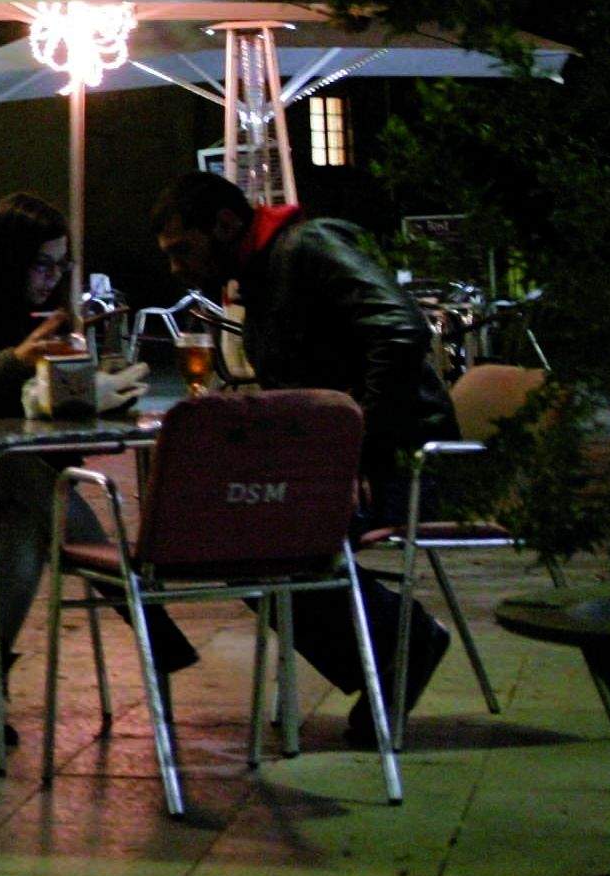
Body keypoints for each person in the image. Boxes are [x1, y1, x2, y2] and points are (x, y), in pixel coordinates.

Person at [151, 170, 454, 740]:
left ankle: (401, 644)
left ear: (225, 224)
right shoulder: (264, 275)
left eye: (183, 250)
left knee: (252, 536)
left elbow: (400, 330)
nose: (176, 268)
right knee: (223, 534)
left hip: (404, 464)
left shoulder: (310, 246)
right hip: (346, 465)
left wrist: (354, 449)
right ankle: (390, 651)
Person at [0, 193, 198, 745]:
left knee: (29, 503)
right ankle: (143, 614)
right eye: (41, 265)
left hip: (9, 464)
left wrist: (93, 387)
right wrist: (18, 359)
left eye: (60, 265)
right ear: (5, 259)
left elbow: (39, 398)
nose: (51, 278)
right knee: (36, 489)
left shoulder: (40, 307)